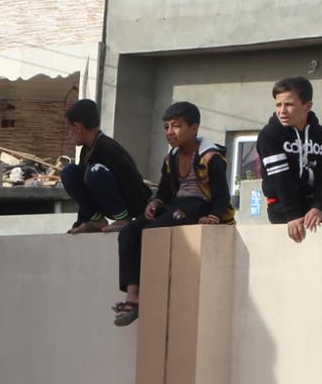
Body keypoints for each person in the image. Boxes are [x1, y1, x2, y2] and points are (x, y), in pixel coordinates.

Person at [110, 102, 231, 327]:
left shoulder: (210, 157)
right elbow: (165, 191)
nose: (169, 132)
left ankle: (150, 292)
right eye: (166, 127)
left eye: (176, 126)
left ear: (193, 128)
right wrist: (156, 201)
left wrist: (214, 216)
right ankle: (132, 296)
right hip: (176, 205)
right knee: (128, 233)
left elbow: (223, 196)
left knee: (153, 231)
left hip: (198, 207)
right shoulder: (171, 159)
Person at [60, 99, 151, 235]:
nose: (69, 135)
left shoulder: (107, 148)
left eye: (70, 129)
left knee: (95, 172)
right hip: (105, 203)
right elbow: (82, 187)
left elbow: (131, 181)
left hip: (129, 205)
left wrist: (140, 216)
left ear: (78, 127)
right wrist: (82, 221)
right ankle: (96, 220)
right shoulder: (87, 149)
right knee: (69, 172)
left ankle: (122, 220)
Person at [260, 76, 322, 243]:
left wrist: (318, 206)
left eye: (289, 104)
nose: (282, 111)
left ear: (307, 106)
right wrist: (293, 214)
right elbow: (281, 179)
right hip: (283, 207)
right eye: (278, 105)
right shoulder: (269, 135)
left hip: (314, 205)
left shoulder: (319, 134)